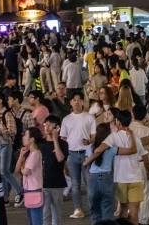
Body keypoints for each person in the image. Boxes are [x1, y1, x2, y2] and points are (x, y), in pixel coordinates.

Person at [83, 109, 144, 224]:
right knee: (108, 211)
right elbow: (132, 150)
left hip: (93, 178)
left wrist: (86, 162)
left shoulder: (89, 148)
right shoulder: (112, 148)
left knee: (95, 211)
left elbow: (95, 153)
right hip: (107, 178)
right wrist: (130, 135)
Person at [59, 92, 96, 220]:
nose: (76, 102)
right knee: (75, 184)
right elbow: (63, 137)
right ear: (71, 102)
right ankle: (78, 208)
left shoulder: (89, 117)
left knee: (89, 182)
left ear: (83, 102)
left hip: (87, 154)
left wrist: (90, 141)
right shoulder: (66, 119)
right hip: (72, 154)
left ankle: (93, 207)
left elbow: (94, 135)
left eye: (79, 100)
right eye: (74, 100)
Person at [40, 116, 68, 225]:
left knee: (56, 211)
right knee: (45, 212)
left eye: (50, 124)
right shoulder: (41, 144)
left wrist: (55, 140)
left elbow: (60, 158)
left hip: (57, 182)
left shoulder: (63, 144)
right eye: (45, 124)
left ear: (57, 127)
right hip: (43, 182)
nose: (47, 127)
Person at [16, 128, 44, 225]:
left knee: (36, 219)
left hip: (34, 189)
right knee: (31, 219)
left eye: (26, 135)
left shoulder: (35, 153)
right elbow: (17, 169)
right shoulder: (30, 154)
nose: (23, 137)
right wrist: (21, 155)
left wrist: (23, 166)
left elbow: (25, 171)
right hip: (29, 189)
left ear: (32, 139)